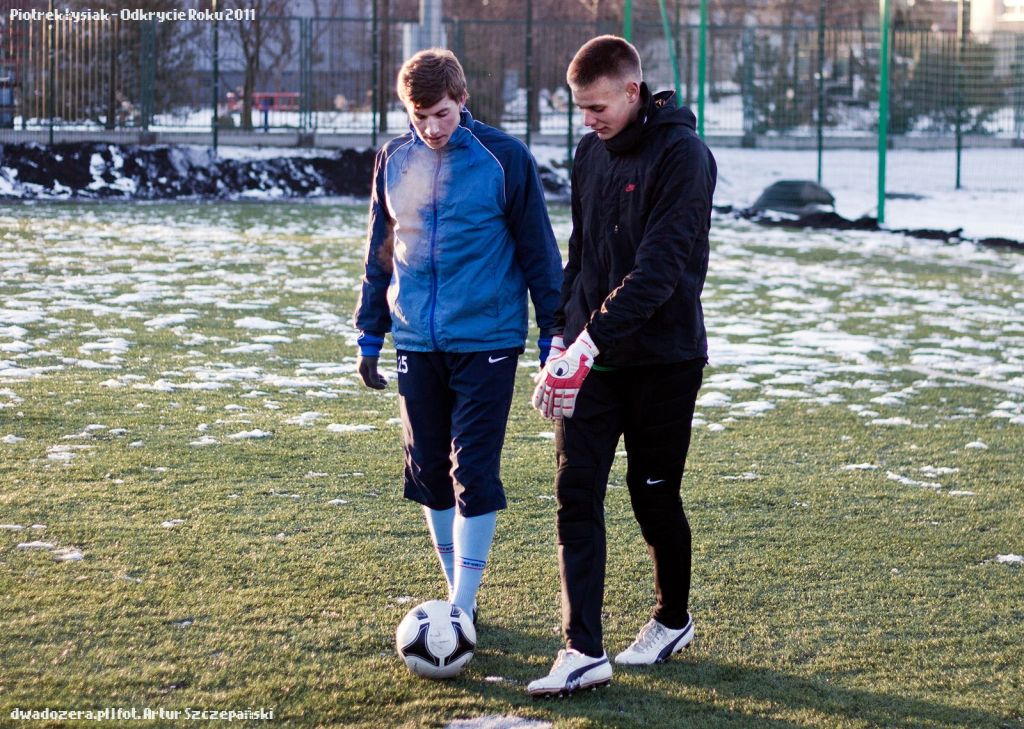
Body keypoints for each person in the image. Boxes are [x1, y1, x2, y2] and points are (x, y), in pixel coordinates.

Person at [528, 35, 717, 696]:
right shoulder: (589, 154)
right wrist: (560, 339)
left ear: (633, 91)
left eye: (598, 107)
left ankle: (671, 619)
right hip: (592, 361)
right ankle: (582, 649)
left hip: (665, 359)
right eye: (580, 108)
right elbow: (580, 256)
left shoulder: (684, 155)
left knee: (652, 492)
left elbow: (659, 272)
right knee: (575, 491)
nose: (588, 120)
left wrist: (586, 345)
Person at [353, 49, 562, 629]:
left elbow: (540, 253)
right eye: (419, 117)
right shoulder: (393, 159)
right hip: (416, 340)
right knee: (428, 472)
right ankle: (455, 599)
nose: (431, 128)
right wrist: (369, 334)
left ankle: (463, 606)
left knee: (472, 470)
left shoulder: (505, 158)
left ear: (462, 100)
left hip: (486, 338)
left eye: (442, 114)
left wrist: (554, 334)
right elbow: (380, 253)